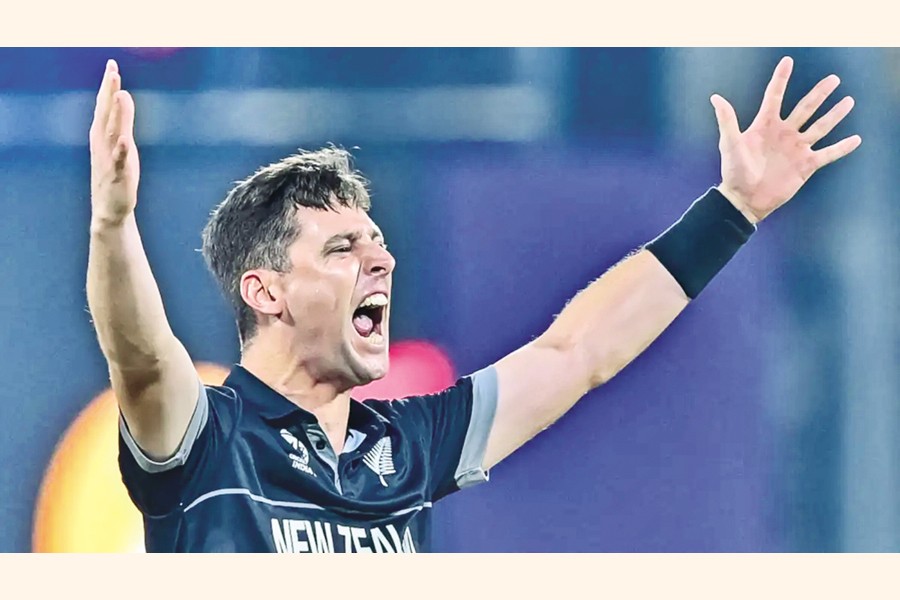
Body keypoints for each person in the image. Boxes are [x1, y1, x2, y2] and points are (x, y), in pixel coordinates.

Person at [87, 56, 861, 553]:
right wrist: (113, 225)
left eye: (377, 242)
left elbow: (578, 351)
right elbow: (141, 355)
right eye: (342, 249)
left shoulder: (411, 444)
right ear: (266, 292)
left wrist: (733, 210)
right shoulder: (208, 438)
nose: (381, 260)